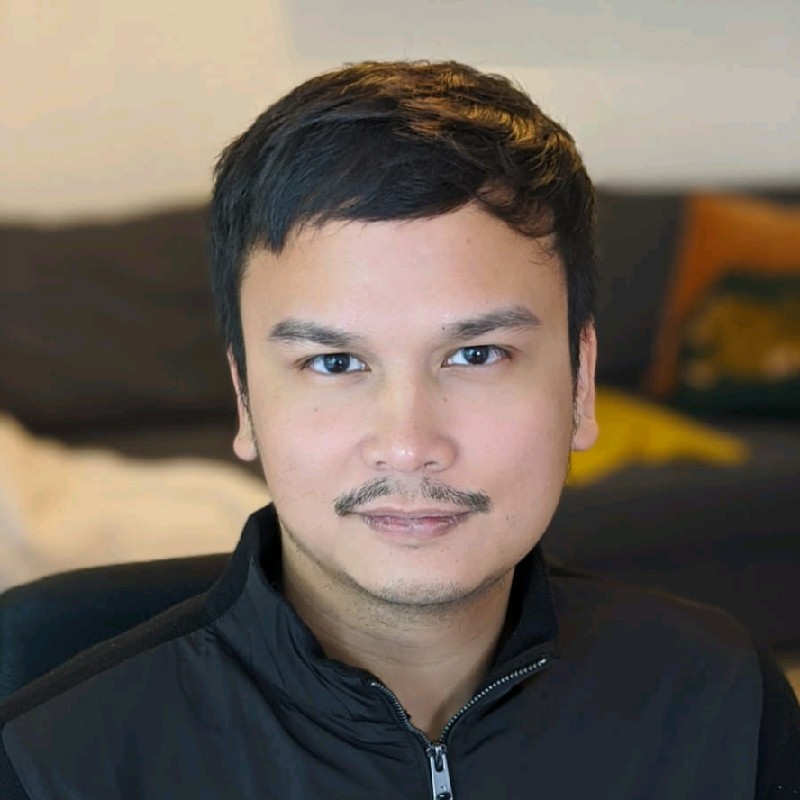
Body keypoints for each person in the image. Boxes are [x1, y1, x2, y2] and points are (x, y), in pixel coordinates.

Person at [1, 60, 798, 799]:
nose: (410, 444)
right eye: (335, 363)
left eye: (477, 354)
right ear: (245, 398)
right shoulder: (48, 763)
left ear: (580, 382)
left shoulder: (724, 701)